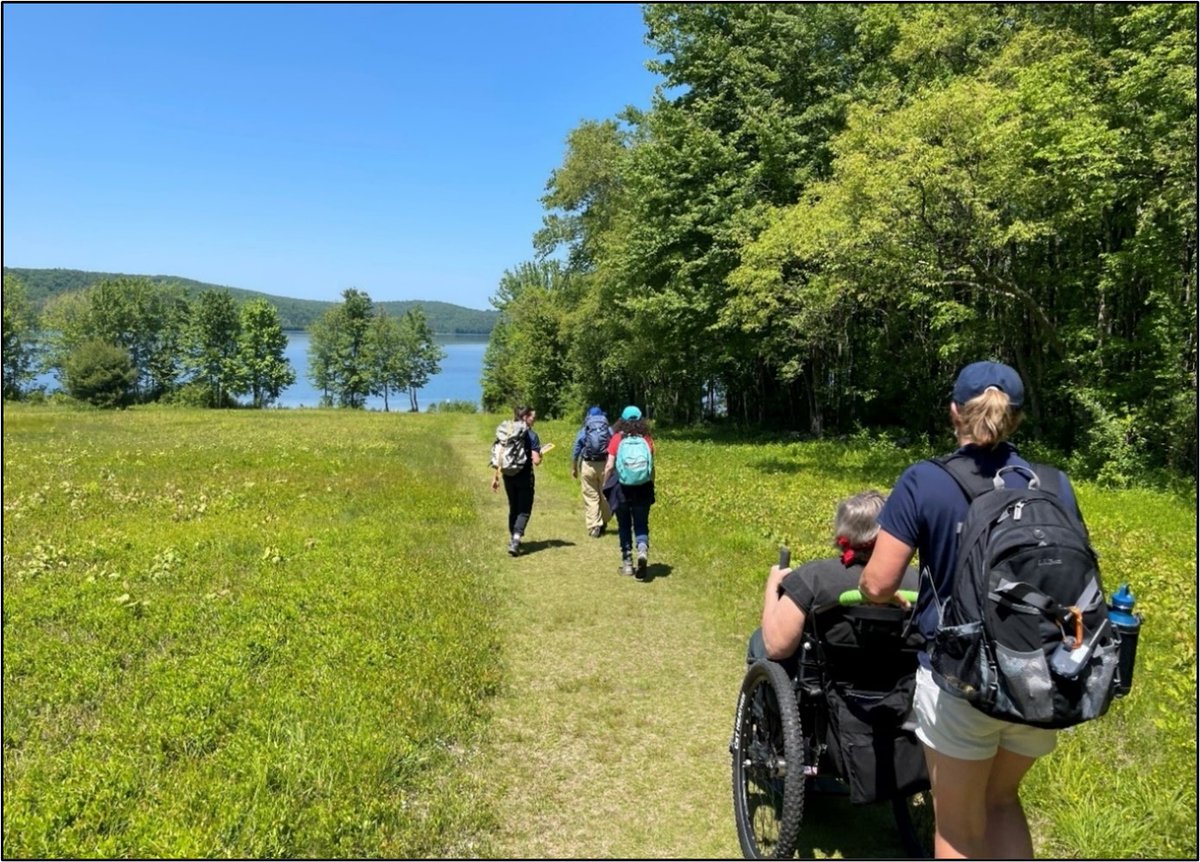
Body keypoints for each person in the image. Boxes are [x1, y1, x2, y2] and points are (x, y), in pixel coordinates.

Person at [860, 360, 1084, 859]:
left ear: (953, 412)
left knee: (958, 828)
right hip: (1041, 675)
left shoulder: (924, 481)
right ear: (1017, 419)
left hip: (961, 678)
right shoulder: (1055, 483)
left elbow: (877, 585)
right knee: (1002, 801)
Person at [749, 490, 918, 663]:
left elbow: (777, 647)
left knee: (758, 639)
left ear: (842, 534)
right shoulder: (919, 583)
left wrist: (772, 587)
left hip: (826, 684)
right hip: (900, 684)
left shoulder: (813, 577)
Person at [602, 405, 656, 579]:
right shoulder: (647, 439)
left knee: (624, 525)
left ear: (622, 420)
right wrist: (651, 483)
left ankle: (627, 563)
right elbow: (651, 466)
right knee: (641, 523)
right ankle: (642, 550)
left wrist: (604, 484)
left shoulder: (617, 438)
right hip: (642, 487)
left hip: (621, 488)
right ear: (641, 420)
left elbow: (609, 465)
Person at [491, 405, 543, 556]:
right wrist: (541, 455)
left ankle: (513, 537)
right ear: (525, 417)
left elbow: (501, 455)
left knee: (513, 506)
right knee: (524, 509)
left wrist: (495, 477)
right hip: (525, 476)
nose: (534, 419)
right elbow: (536, 460)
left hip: (508, 475)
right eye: (532, 416)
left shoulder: (507, 432)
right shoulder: (531, 435)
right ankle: (516, 538)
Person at [570, 406, 613, 538]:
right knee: (605, 494)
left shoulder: (585, 430)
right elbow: (614, 447)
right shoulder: (608, 430)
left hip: (588, 465)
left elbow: (576, 449)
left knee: (591, 496)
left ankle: (594, 526)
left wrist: (574, 468)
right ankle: (604, 521)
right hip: (605, 465)